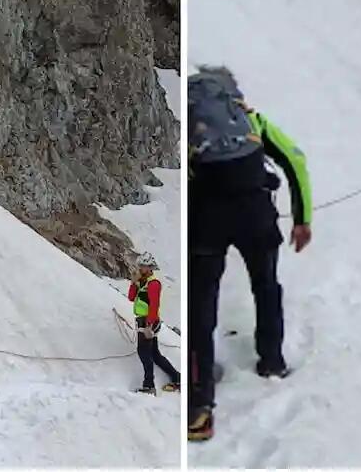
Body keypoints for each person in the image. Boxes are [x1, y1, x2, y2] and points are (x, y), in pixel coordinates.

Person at [187, 65, 313, 443]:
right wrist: (302, 220)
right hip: (256, 216)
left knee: (201, 301)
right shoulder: (250, 120)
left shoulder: (192, 126)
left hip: (206, 220)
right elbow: (296, 159)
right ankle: (271, 361)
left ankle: (199, 405)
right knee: (266, 285)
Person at [129, 252, 180, 395]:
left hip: (148, 322)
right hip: (144, 320)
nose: (140, 268)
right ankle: (177, 378)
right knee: (154, 354)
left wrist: (148, 325)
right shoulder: (142, 282)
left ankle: (149, 385)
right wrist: (133, 283)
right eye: (140, 265)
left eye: (143, 266)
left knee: (143, 351)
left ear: (150, 267)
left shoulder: (153, 284)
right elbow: (131, 298)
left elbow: (154, 305)